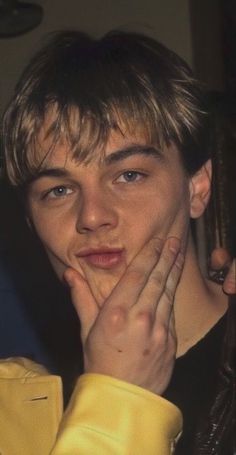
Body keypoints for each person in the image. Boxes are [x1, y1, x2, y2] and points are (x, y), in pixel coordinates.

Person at [1, 30, 235, 454]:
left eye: (129, 175)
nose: (92, 216)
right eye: (59, 190)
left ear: (198, 188)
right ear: (30, 221)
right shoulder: (16, 412)